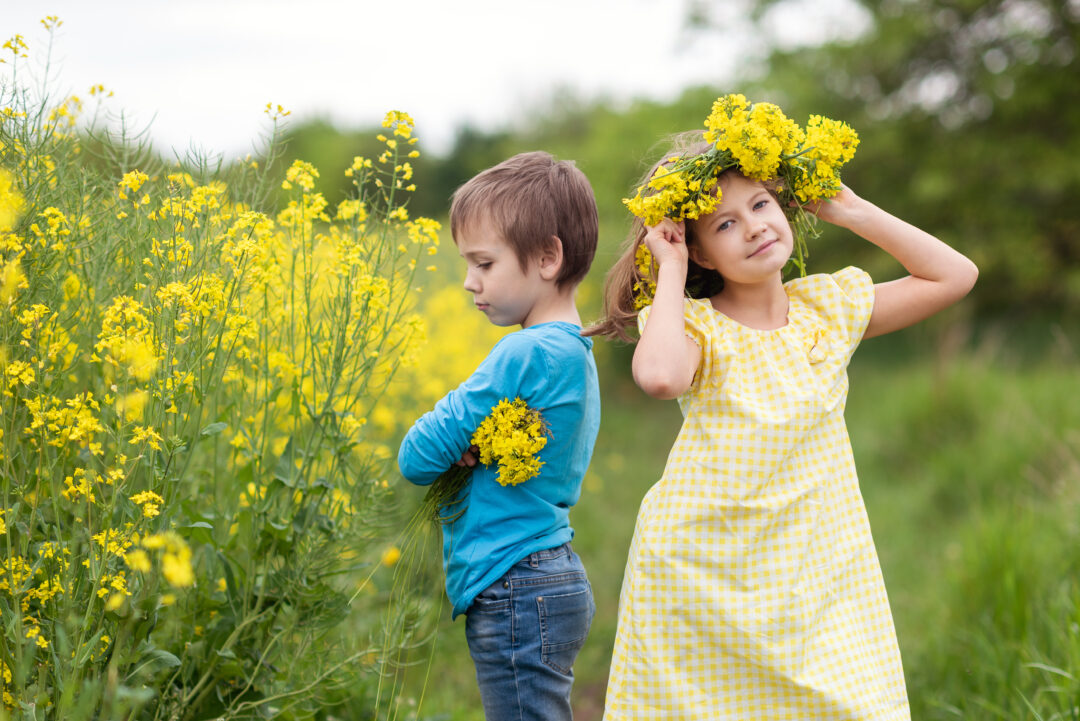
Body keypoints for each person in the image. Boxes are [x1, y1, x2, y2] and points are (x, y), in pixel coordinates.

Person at [586, 132, 978, 719]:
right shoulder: (695, 326)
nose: (752, 227)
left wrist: (850, 209)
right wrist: (666, 268)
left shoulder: (827, 308)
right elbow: (662, 377)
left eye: (761, 204)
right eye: (723, 225)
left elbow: (955, 275)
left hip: (819, 567)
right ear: (699, 253)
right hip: (705, 574)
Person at [397, 151, 602, 721]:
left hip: (515, 582)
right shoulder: (575, 353)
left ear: (546, 257)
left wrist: (450, 445)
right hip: (551, 573)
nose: (469, 283)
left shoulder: (524, 350)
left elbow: (416, 456)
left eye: (484, 263)